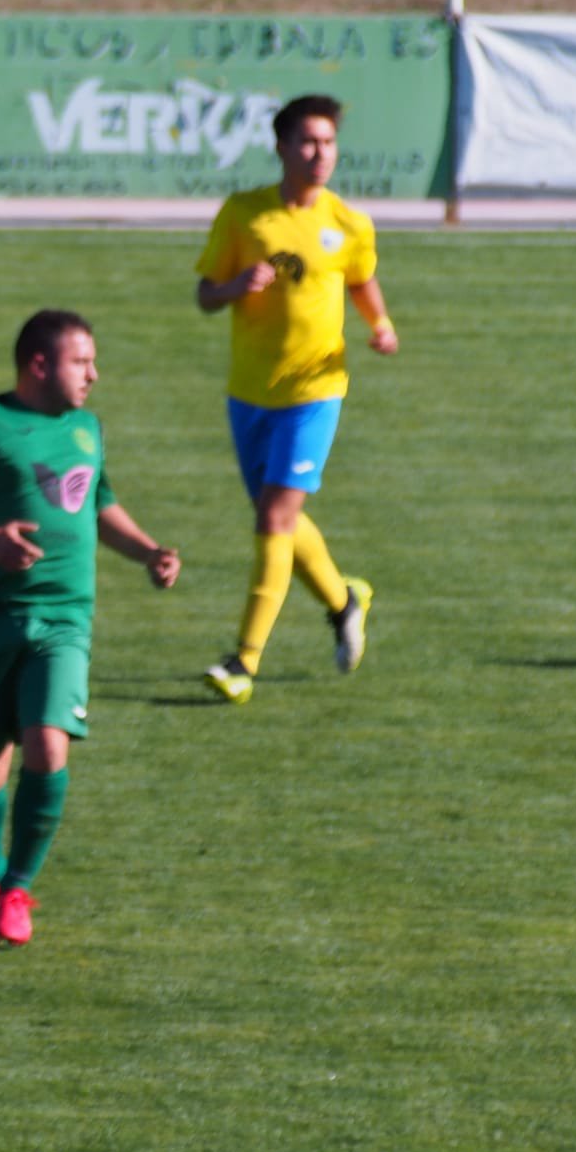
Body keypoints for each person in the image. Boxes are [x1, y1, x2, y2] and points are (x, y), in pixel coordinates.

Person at [0, 310, 181, 946]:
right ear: (39, 365)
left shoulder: (88, 429)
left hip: (65, 619)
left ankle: (18, 888)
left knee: (48, 746)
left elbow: (99, 504)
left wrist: (148, 551)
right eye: (81, 362)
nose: (94, 375)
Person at [192, 92, 399, 704]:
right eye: (307, 142)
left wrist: (381, 324)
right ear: (281, 147)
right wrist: (236, 285)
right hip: (250, 393)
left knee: (272, 519)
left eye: (328, 142)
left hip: (316, 391)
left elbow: (361, 279)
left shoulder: (349, 223)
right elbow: (205, 296)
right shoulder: (245, 215)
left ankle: (243, 661)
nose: (319, 153)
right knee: (279, 518)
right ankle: (343, 601)